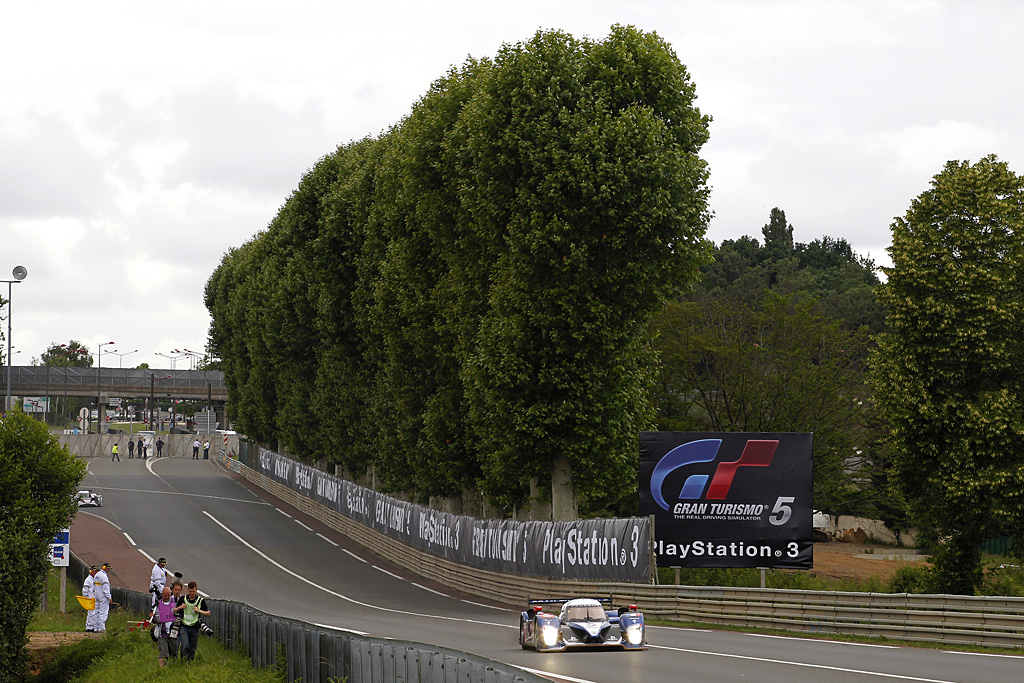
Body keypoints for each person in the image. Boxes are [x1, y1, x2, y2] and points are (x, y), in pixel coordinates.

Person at [173, 581, 210, 662]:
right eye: (190, 591)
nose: (192, 593)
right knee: (185, 645)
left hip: (194, 627)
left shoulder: (200, 600)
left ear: (196, 590)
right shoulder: (183, 599)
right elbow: (174, 610)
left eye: (193, 591)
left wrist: (199, 611)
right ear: (188, 590)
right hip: (184, 626)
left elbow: (208, 613)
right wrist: (180, 607)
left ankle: (189, 662)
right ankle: (183, 661)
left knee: (192, 647)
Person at [151, 586, 176, 668]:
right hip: (162, 632)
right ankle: (161, 669)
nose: (167, 597)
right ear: (162, 594)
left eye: (168, 595)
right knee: (163, 652)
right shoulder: (158, 604)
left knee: (173, 652)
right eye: (165, 595)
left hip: (173, 632)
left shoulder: (174, 603)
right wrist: (156, 618)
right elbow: (152, 616)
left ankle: (172, 668)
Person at [93, 562, 114, 632]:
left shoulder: (97, 575)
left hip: (97, 596)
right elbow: (106, 588)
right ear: (105, 568)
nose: (109, 570)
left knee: (96, 612)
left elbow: (94, 586)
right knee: (103, 612)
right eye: (108, 569)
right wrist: (109, 597)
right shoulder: (104, 576)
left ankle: (96, 628)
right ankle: (101, 628)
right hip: (103, 596)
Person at [82, 566, 98, 631]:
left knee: (93, 613)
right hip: (90, 599)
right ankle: (90, 627)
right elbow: (85, 589)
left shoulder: (95, 579)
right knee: (91, 613)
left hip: (94, 599)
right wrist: (85, 598)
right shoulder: (88, 580)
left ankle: (91, 627)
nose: (95, 572)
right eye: (94, 571)